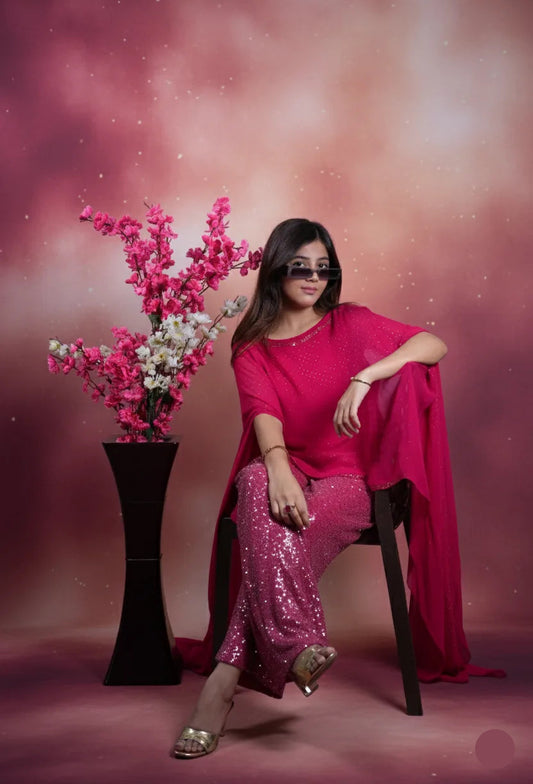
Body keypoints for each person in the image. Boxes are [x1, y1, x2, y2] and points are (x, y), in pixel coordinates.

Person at [171, 218, 450, 759]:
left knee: (275, 545)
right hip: (291, 463)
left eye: (324, 268)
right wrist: (278, 469)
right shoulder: (251, 343)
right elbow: (262, 413)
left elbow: (432, 344)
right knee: (254, 480)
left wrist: (368, 375)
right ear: (277, 267)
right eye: (301, 265)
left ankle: (222, 686)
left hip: (354, 479)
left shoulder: (351, 323)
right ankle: (296, 645)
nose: (313, 277)